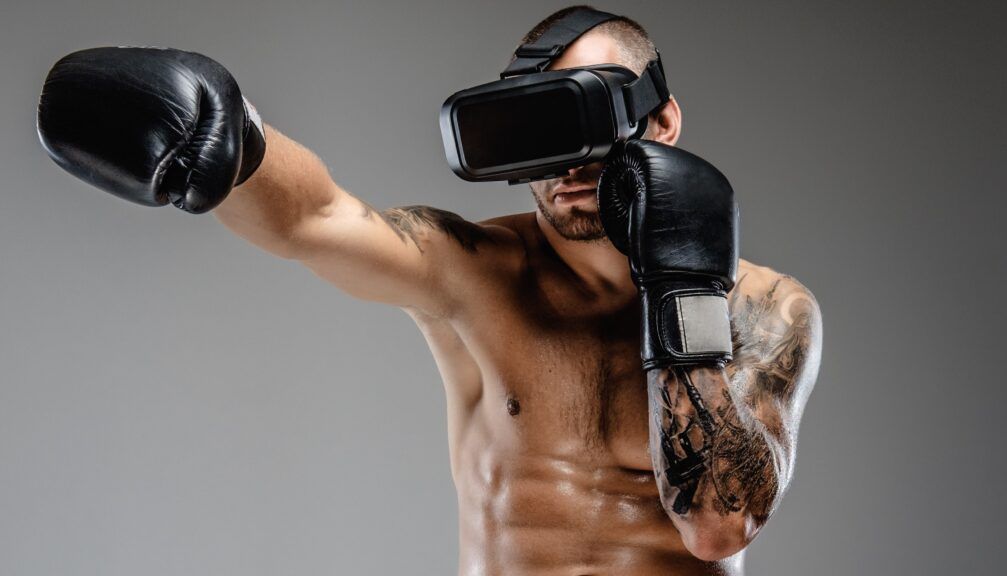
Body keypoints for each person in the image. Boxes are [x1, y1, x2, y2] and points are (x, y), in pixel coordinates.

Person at [36, 5, 822, 574]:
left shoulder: (767, 309)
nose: (572, 162)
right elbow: (321, 217)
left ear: (662, 121)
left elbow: (719, 527)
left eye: (594, 113)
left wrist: (680, 282)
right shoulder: (477, 269)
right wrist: (238, 139)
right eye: (544, 129)